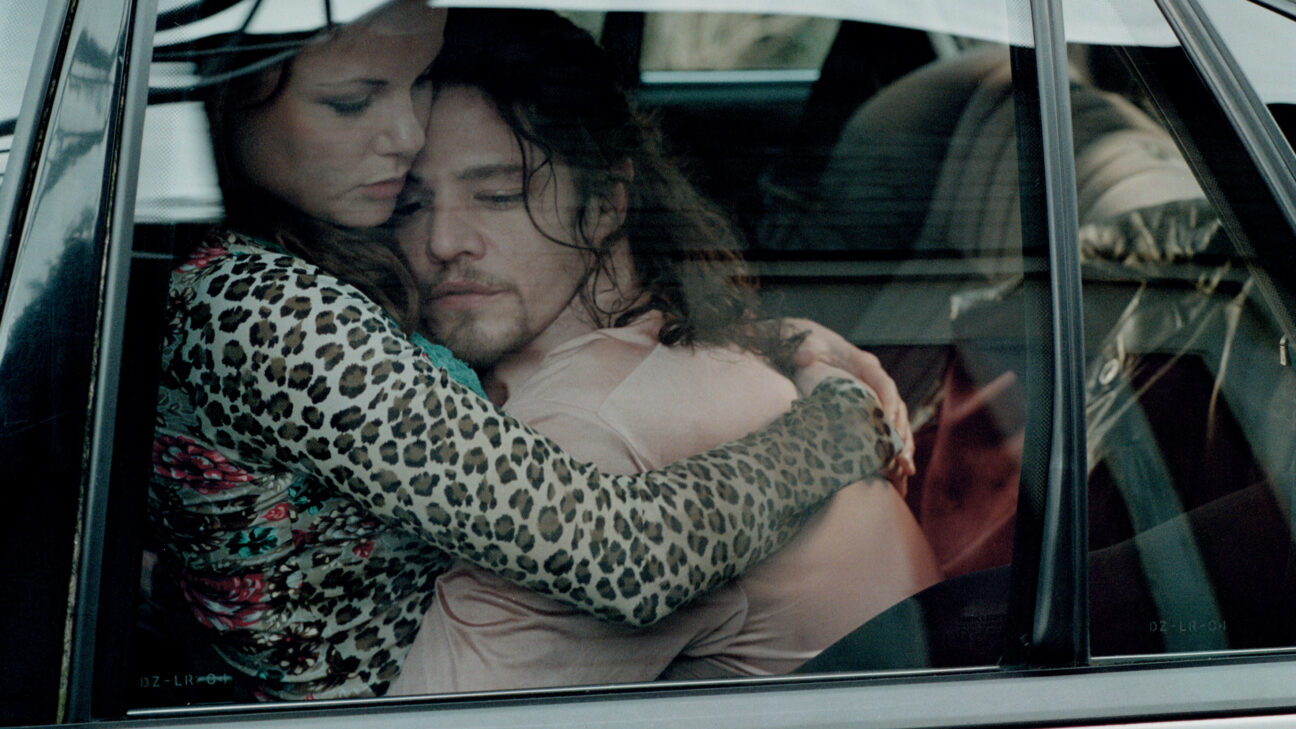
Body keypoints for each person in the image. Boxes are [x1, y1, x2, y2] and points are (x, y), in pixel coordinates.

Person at [148, 0, 910, 701]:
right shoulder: (271, 310)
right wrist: (836, 430)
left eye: (415, 83)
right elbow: (624, 556)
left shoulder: (298, 260)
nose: (407, 134)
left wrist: (773, 341)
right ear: (227, 96)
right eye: (352, 101)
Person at [387, 10, 940, 693]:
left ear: (605, 204)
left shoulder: (583, 434)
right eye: (408, 206)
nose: (443, 241)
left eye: (498, 196)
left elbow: (427, 719)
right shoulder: (706, 349)